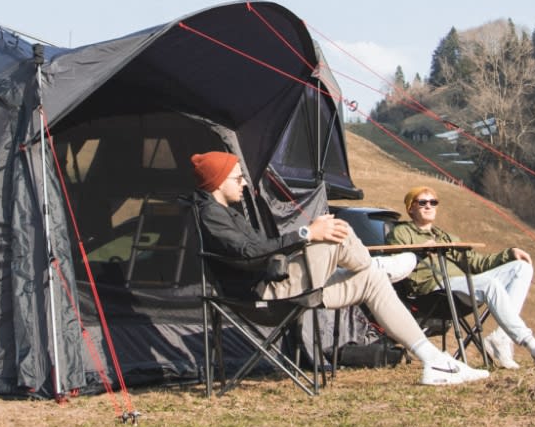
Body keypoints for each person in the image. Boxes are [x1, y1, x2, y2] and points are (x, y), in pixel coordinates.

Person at [191, 151, 489, 386]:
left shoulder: (227, 213)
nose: (243, 183)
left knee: (371, 279)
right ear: (218, 181)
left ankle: (434, 362)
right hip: (266, 293)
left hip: (282, 284)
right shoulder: (211, 215)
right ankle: (380, 266)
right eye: (237, 178)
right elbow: (251, 253)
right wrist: (307, 234)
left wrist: (304, 238)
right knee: (337, 233)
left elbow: (261, 249)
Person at [386, 186, 535, 368]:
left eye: (433, 202)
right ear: (410, 208)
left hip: (462, 286)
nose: (429, 206)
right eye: (422, 202)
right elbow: (398, 264)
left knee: (521, 268)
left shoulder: (445, 236)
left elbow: (476, 263)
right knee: (489, 284)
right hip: (434, 292)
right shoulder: (400, 233)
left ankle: (501, 338)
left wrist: (508, 254)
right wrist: (420, 251)